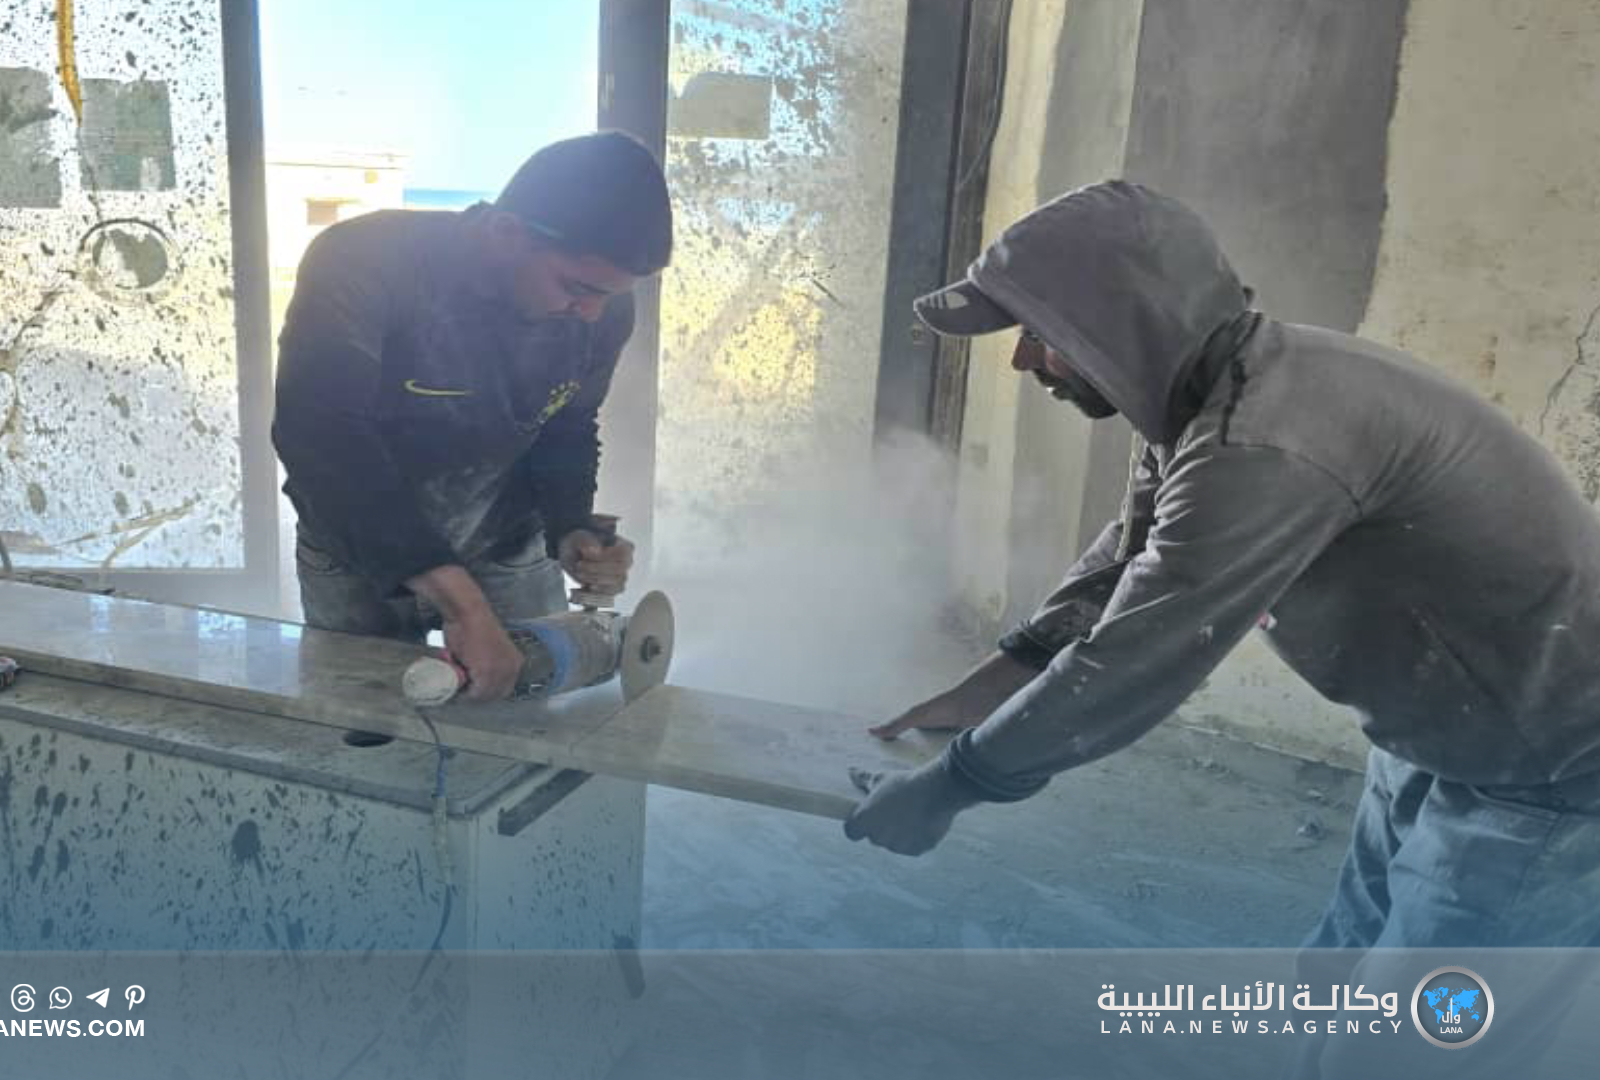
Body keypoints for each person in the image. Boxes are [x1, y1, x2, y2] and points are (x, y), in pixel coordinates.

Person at [844, 180, 1600, 1075]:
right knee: (1337, 986)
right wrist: (979, 692)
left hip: (1554, 767)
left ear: (1119, 323)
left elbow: (1139, 654)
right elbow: (1127, 559)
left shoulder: (1265, 440)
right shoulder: (1215, 396)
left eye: (1038, 332)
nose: (1023, 360)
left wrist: (949, 787)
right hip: (1447, 730)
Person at [274, 133, 673, 701]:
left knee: (532, 716)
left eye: (609, 295)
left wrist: (571, 527)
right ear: (506, 233)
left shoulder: (599, 310)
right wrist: (463, 605)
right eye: (577, 288)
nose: (591, 314)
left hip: (504, 542)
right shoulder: (367, 261)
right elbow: (322, 441)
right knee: (365, 721)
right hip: (356, 544)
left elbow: (565, 427)